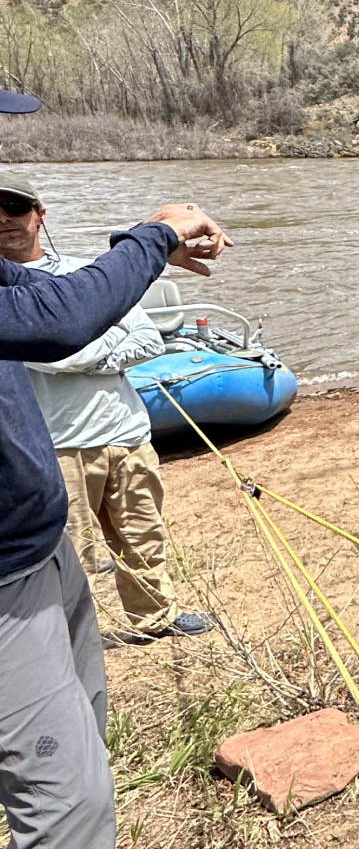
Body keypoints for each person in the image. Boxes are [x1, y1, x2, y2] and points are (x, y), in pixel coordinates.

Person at [0, 101, 230, 847]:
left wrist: (140, 257)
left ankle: (155, 614)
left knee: (86, 703)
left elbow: (96, 324)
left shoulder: (41, 277)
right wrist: (153, 235)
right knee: (64, 803)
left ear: (40, 215)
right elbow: (61, 326)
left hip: (38, 534)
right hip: (10, 568)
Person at [0, 174, 212, 646]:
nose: (3, 218)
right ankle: (75, 637)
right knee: (69, 554)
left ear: (39, 215)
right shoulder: (22, 298)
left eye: (13, 206)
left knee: (143, 534)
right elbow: (51, 346)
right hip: (55, 444)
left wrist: (84, 348)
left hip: (125, 430)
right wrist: (89, 335)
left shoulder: (93, 274)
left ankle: (156, 617)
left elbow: (147, 339)